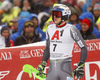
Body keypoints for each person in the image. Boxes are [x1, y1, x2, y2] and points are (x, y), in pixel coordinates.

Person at [33, 4, 88, 80]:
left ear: (65, 15)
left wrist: (81, 65)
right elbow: (48, 48)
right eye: (53, 14)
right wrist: (42, 64)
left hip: (65, 67)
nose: (54, 17)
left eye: (57, 14)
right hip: (52, 68)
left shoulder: (71, 29)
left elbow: (84, 47)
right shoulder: (50, 28)